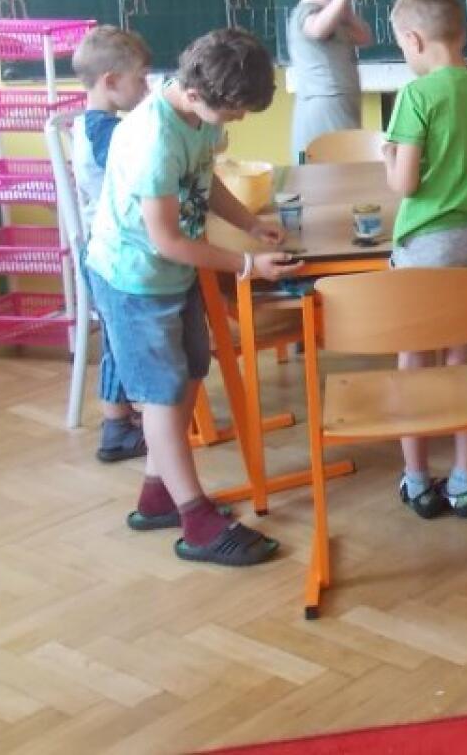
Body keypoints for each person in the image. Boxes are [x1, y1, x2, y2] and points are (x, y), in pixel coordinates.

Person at [85, 28, 300, 566]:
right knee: (161, 394)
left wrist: (250, 224)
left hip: (171, 274)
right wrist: (246, 265)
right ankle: (197, 522)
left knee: (188, 376)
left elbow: (205, 180)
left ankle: (157, 496)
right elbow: (167, 240)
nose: (237, 120)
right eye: (233, 112)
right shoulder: (152, 139)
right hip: (133, 280)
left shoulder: (199, 118)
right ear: (198, 92)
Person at [381, 0, 467, 518]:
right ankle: (462, 482)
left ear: (413, 40)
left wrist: (388, 155)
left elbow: (406, 184)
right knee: (464, 361)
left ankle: (416, 479)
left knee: (415, 359)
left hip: (426, 244)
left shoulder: (417, 95)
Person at [71, 25, 153, 463]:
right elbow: (135, 178)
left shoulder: (95, 124)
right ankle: (116, 427)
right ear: (111, 81)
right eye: (141, 78)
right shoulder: (107, 132)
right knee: (119, 341)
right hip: (111, 253)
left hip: (108, 246)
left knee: (119, 338)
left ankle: (125, 416)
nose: (146, 86)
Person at [287, 0, 371, 160]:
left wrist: (345, 3)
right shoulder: (306, 12)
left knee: (347, 164)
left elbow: (364, 37)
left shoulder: (333, 14)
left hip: (341, 100)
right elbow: (317, 29)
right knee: (334, 165)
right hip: (324, 102)